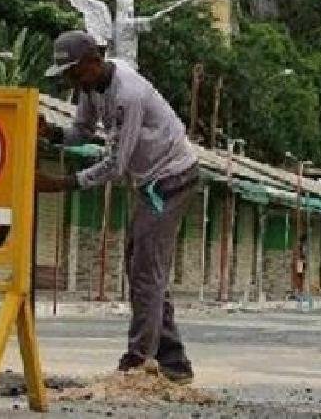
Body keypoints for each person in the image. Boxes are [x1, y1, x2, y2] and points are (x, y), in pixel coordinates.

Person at [36, 30, 198, 384]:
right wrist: (53, 135)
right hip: (149, 181)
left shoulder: (129, 95)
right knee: (141, 266)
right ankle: (174, 362)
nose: (72, 84)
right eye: (67, 78)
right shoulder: (92, 87)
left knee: (145, 270)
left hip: (171, 178)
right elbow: (81, 132)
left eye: (75, 75)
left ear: (94, 62)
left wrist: (61, 184)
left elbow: (115, 165)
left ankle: (138, 360)